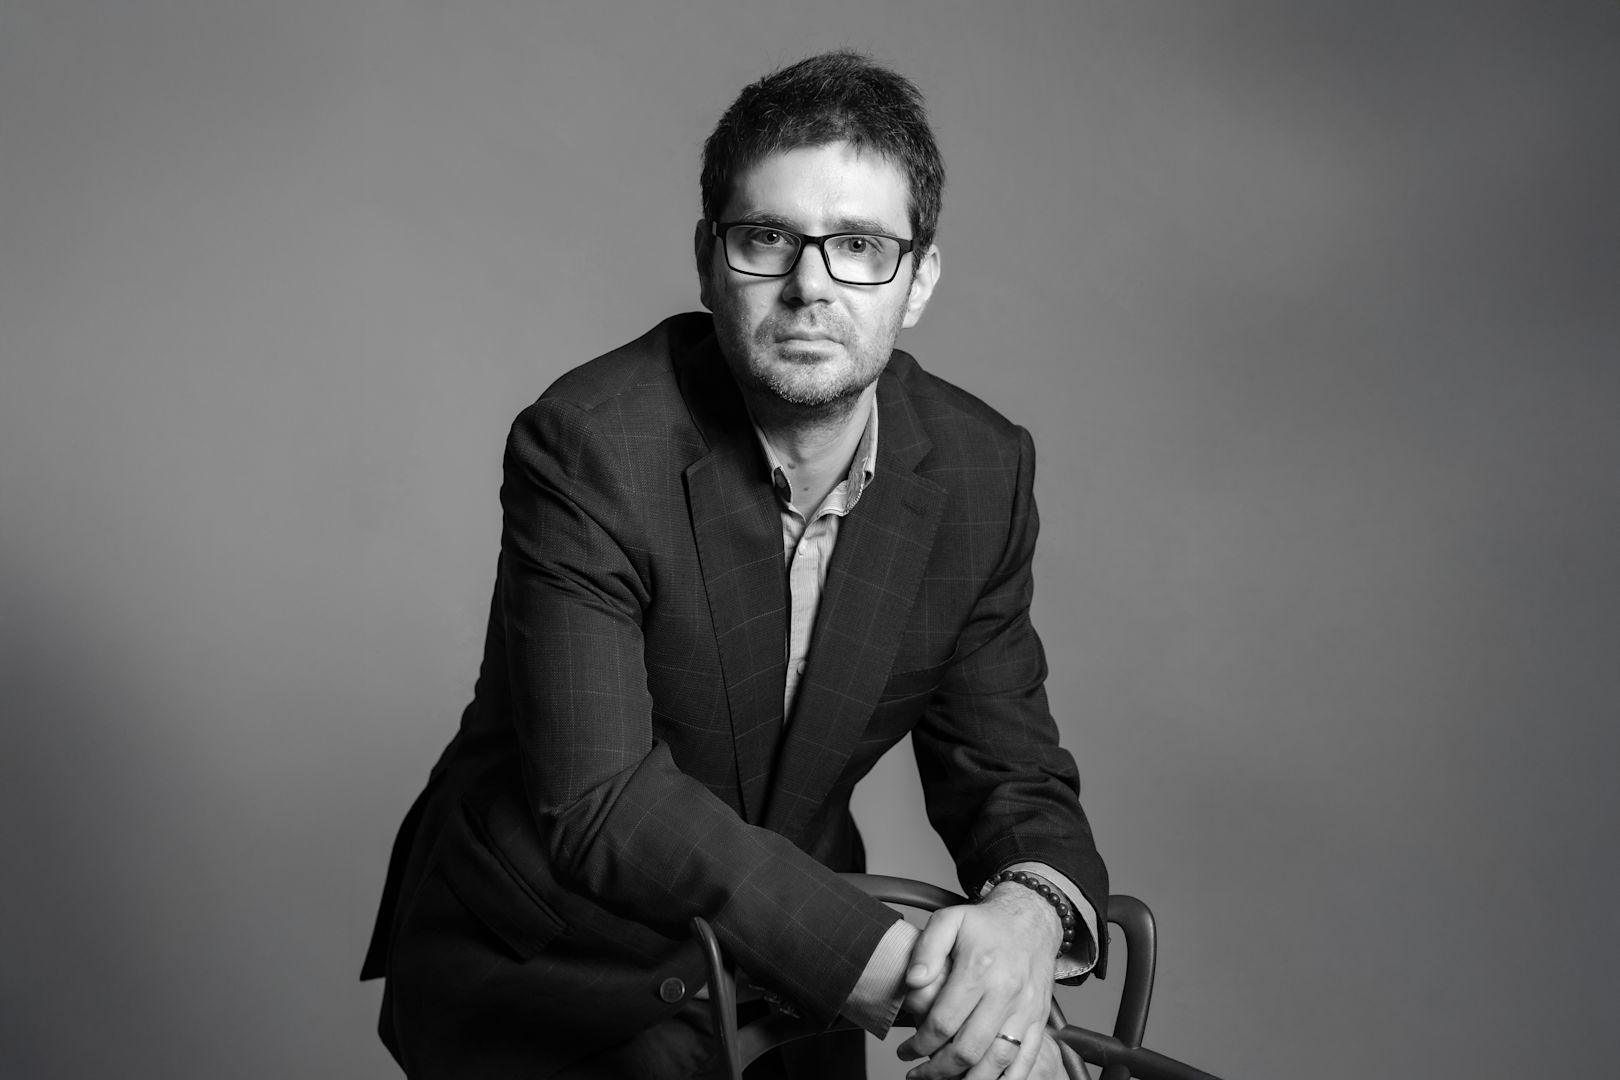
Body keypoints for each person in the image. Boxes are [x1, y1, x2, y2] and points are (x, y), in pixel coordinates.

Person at [362, 50, 1108, 1080]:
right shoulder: (590, 446)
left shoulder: (980, 470)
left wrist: (1027, 919)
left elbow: (1008, 772)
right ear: (710, 261)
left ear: (920, 280)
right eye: (768, 239)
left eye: (859, 245)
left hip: (794, 969)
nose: (811, 285)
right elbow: (604, 800)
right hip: (562, 966)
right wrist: (933, 992)